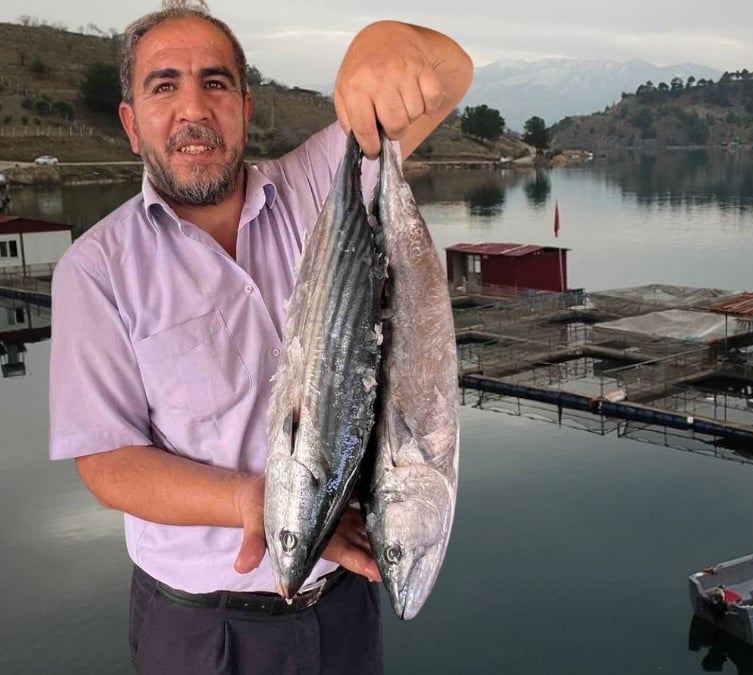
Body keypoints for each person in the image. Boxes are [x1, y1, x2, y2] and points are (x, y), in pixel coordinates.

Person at [46, 1, 472, 672]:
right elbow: (106, 463)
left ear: (245, 108)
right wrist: (250, 499)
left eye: (215, 83)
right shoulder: (94, 270)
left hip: (341, 605)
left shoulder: (311, 184)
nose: (193, 108)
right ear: (131, 123)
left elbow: (449, 74)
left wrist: (379, 41)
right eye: (165, 85)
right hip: (200, 629)